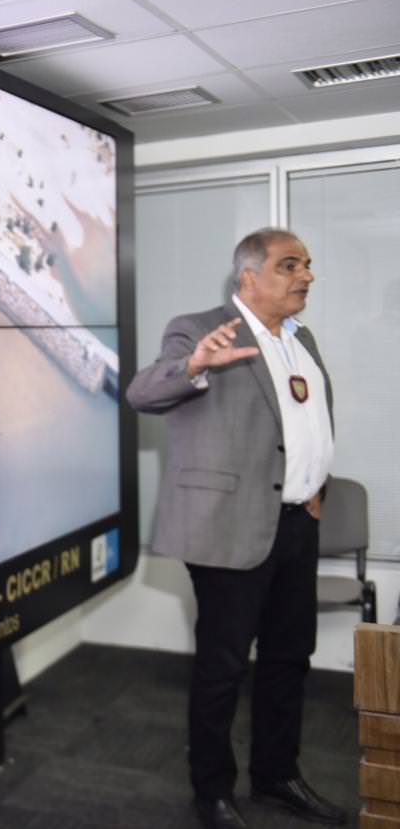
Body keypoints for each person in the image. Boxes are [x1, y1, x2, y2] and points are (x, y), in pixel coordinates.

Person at [127, 228, 345, 829]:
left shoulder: (302, 339)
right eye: (289, 265)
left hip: (297, 525)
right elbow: (143, 393)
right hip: (227, 528)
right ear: (249, 277)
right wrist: (194, 365)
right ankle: (213, 791)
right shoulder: (198, 328)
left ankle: (277, 775)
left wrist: (317, 488)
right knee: (222, 667)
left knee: (289, 658)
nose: (306, 275)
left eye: (307, 264)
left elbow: (309, 423)